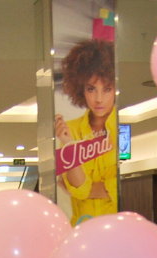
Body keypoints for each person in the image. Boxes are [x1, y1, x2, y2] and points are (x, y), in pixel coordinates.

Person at [55, 38, 117, 226]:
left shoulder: (123, 129)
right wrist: (68, 144)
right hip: (81, 230)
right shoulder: (70, 130)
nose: (99, 99)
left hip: (118, 229)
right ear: (81, 89)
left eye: (107, 89)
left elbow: (122, 188)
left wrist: (78, 189)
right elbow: (79, 189)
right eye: (91, 89)